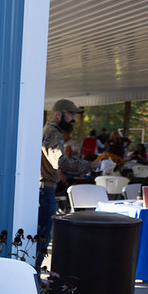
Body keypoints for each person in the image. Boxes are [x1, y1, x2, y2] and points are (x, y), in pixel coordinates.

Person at [36, 99, 99, 271]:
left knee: (41, 238)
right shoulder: (53, 132)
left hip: (44, 188)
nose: (73, 119)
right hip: (45, 189)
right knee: (42, 239)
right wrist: (89, 165)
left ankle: (34, 276)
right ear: (58, 114)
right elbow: (60, 162)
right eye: (71, 114)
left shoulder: (48, 130)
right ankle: (34, 278)